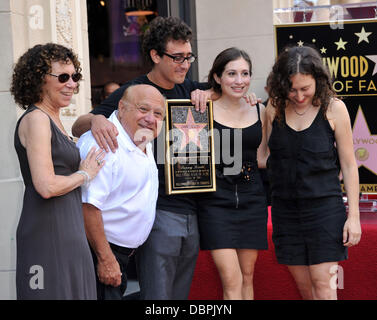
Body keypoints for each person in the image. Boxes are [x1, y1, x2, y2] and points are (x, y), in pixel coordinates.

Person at [71, 16, 258, 300]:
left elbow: (231, 88)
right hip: (157, 211)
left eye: (188, 56)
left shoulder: (190, 89)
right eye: (177, 57)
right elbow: (77, 126)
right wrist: (96, 119)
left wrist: (243, 96)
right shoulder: (134, 92)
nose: (185, 64)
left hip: (193, 207)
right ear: (155, 56)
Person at [265, 45, 362, 300]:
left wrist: (354, 217)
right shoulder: (272, 109)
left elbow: (350, 166)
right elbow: (264, 157)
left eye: (305, 88)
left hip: (324, 211)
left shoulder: (335, 109)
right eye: (292, 89)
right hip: (286, 211)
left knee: (325, 288)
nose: (299, 96)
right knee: (306, 290)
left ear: (318, 81)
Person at [10, 43, 105, 299]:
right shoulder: (37, 119)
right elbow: (46, 186)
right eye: (63, 77)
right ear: (39, 79)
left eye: (75, 77)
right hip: (47, 232)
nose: (72, 84)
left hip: (70, 232)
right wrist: (85, 174)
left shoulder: (55, 119)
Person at [77, 84, 165, 300]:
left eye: (158, 113)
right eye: (143, 109)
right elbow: (88, 207)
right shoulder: (105, 144)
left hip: (122, 256)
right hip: (100, 253)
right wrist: (106, 259)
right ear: (121, 107)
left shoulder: (141, 138)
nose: (151, 119)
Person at [196, 48, 268, 300]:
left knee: (247, 277)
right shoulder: (201, 110)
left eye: (245, 73)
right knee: (232, 279)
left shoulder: (260, 111)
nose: (239, 80)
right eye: (232, 73)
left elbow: (263, 158)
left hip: (252, 200)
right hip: (215, 202)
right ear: (217, 77)